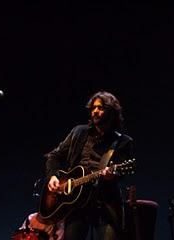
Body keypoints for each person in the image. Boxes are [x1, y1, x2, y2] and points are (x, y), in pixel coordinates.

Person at [44, 91, 134, 240]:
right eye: (93, 108)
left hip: (104, 204)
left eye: (100, 108)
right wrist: (53, 176)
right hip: (75, 204)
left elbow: (120, 172)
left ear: (111, 112)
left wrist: (112, 175)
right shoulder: (79, 132)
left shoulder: (122, 141)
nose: (95, 111)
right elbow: (54, 155)